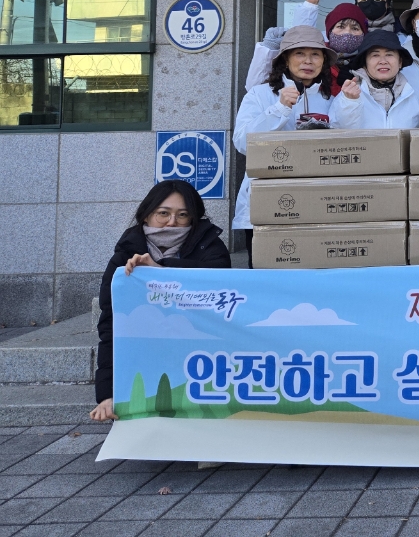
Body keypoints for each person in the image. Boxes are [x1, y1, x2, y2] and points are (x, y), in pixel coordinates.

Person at [90, 180, 231, 423]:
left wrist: (161, 270)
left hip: (200, 358)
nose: (172, 222)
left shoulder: (210, 246)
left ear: (194, 218)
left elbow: (218, 283)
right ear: (146, 215)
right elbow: (113, 326)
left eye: (183, 215)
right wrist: (108, 394)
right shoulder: (123, 256)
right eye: (163, 213)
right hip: (146, 354)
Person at [231, 25, 336, 261]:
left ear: (323, 62)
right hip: (265, 204)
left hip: (315, 205)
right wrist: (279, 109)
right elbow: (243, 142)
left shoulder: (330, 98)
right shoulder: (260, 94)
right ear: (285, 60)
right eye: (299, 53)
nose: (308, 61)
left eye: (315, 54)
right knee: (265, 273)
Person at [333, 30, 419, 129]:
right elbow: (338, 132)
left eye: (389, 54)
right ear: (365, 63)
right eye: (375, 55)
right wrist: (350, 103)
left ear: (400, 62)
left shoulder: (414, 94)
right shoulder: (348, 95)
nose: (383, 61)